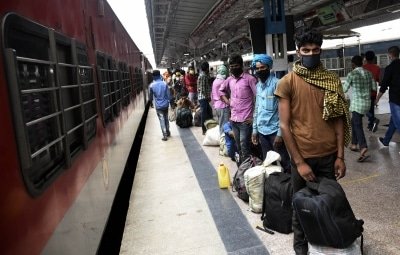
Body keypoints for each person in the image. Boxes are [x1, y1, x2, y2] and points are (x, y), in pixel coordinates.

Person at [275, 27, 349, 255]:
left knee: (331, 206)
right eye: (306, 50)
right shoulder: (287, 82)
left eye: (315, 50)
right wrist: (299, 163)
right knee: (301, 210)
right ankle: (301, 251)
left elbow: (338, 120)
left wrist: (340, 156)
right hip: (303, 158)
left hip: (328, 157)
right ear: (298, 52)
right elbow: (285, 126)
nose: (311, 54)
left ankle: (328, 247)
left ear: (320, 51)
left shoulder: (330, 80)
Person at [251, 54, 291, 172]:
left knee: (284, 161)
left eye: (262, 68)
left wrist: (280, 134)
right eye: (257, 68)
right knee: (268, 162)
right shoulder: (258, 86)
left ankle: (291, 186)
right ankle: (276, 187)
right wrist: (254, 130)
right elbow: (257, 109)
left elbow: (284, 111)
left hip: (274, 131)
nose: (259, 70)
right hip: (262, 132)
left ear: (269, 68)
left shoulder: (278, 84)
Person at [219, 54, 257, 163]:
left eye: (236, 66)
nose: (233, 68)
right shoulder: (229, 80)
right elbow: (221, 91)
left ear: (241, 66)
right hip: (234, 120)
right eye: (231, 66)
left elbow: (258, 97)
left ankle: (246, 170)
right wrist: (228, 101)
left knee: (244, 146)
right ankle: (242, 168)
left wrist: (254, 117)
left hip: (246, 120)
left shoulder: (250, 79)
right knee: (238, 146)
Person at [343, 55, 376, 162]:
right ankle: (353, 144)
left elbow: (344, 89)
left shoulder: (351, 74)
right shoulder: (369, 73)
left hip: (357, 104)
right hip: (367, 103)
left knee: (357, 125)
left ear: (353, 64)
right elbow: (374, 88)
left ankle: (363, 146)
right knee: (354, 122)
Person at [376, 46, 400, 146]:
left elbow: (384, 86)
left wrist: (377, 99)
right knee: (393, 121)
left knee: (398, 123)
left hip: (395, 99)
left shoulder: (389, 68)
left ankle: (386, 140)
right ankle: (386, 140)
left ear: (390, 55)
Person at [149, 70, 172, 141]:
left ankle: (164, 134)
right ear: (159, 75)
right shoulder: (164, 84)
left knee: (161, 119)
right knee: (166, 118)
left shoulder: (152, 86)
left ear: (153, 76)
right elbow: (168, 95)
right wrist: (170, 102)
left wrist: (151, 103)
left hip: (158, 106)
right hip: (165, 104)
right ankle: (168, 132)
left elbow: (150, 97)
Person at [363, 50, 381, 132]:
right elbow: (379, 80)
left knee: (364, 109)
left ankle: (373, 120)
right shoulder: (377, 68)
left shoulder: (362, 68)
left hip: (364, 92)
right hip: (373, 92)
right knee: (371, 109)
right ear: (374, 58)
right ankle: (371, 125)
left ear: (365, 58)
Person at [211, 64, 230, 135]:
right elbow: (224, 94)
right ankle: (224, 141)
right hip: (223, 106)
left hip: (217, 105)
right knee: (225, 125)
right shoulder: (223, 81)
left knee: (221, 123)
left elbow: (212, 94)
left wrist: (213, 104)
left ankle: (222, 140)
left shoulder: (215, 81)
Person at [197, 61, 213, 134]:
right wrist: (208, 97)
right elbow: (203, 89)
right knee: (204, 113)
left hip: (203, 97)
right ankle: (204, 129)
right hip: (203, 97)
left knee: (209, 112)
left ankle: (210, 126)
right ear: (207, 68)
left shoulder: (204, 75)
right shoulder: (203, 76)